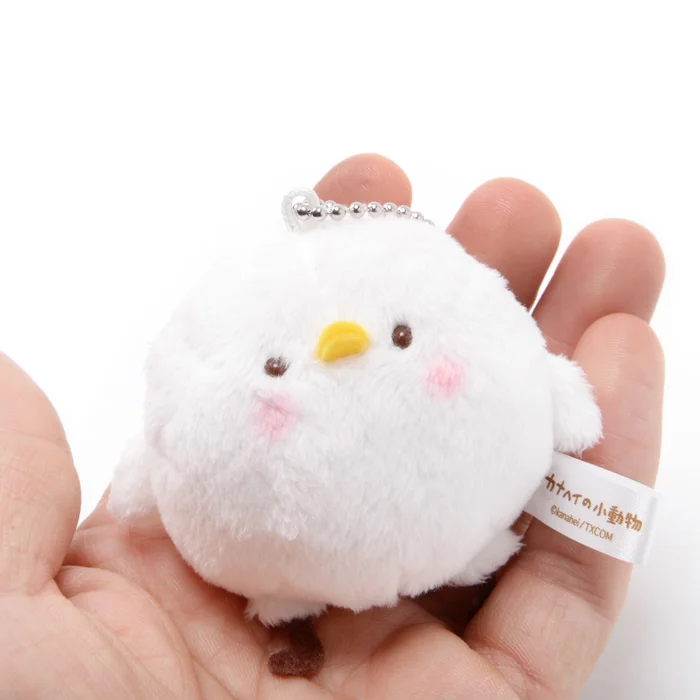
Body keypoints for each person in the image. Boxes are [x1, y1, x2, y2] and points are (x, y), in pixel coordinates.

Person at [0, 154, 665, 699]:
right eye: (276, 366)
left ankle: (378, 571)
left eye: (401, 336)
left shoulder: (491, 348)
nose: (342, 347)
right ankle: (293, 593)